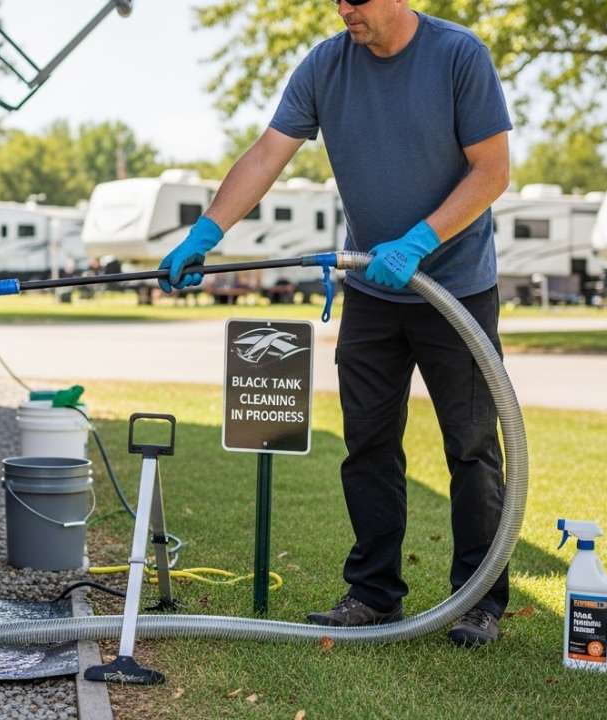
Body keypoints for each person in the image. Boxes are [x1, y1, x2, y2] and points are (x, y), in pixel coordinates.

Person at [158, 0, 512, 646]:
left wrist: (419, 241)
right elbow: (268, 153)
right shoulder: (327, 65)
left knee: (472, 448)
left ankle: (479, 600)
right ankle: (375, 593)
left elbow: (493, 170)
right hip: (374, 285)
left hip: (454, 285)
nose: (345, 9)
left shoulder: (459, 56)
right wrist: (206, 231)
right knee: (369, 442)